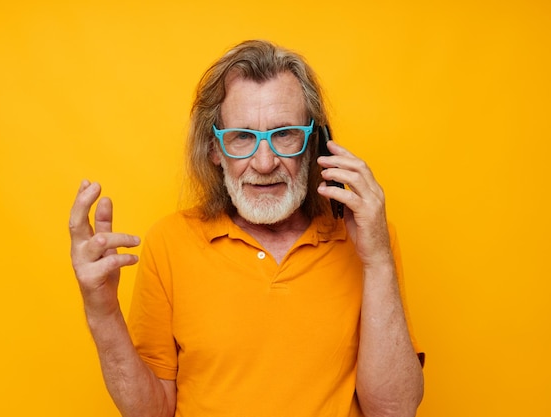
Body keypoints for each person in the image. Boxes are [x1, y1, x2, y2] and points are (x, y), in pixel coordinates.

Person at [69, 40, 424, 417]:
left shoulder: (367, 241)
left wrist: (378, 261)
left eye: (284, 133)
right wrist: (103, 312)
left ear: (313, 142)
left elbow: (394, 411)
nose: (266, 161)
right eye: (242, 137)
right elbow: (151, 413)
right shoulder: (169, 243)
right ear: (214, 150)